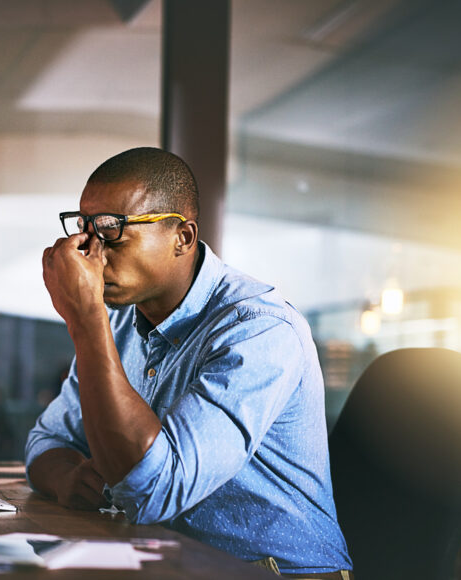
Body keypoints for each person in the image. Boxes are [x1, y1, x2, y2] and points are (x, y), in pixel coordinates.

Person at [25, 147, 352, 578]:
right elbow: (46, 440)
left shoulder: (260, 330)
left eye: (112, 231)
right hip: (172, 564)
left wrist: (85, 319)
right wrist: (68, 479)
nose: (91, 254)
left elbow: (153, 489)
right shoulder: (122, 322)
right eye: (84, 230)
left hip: (276, 572)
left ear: (182, 237)